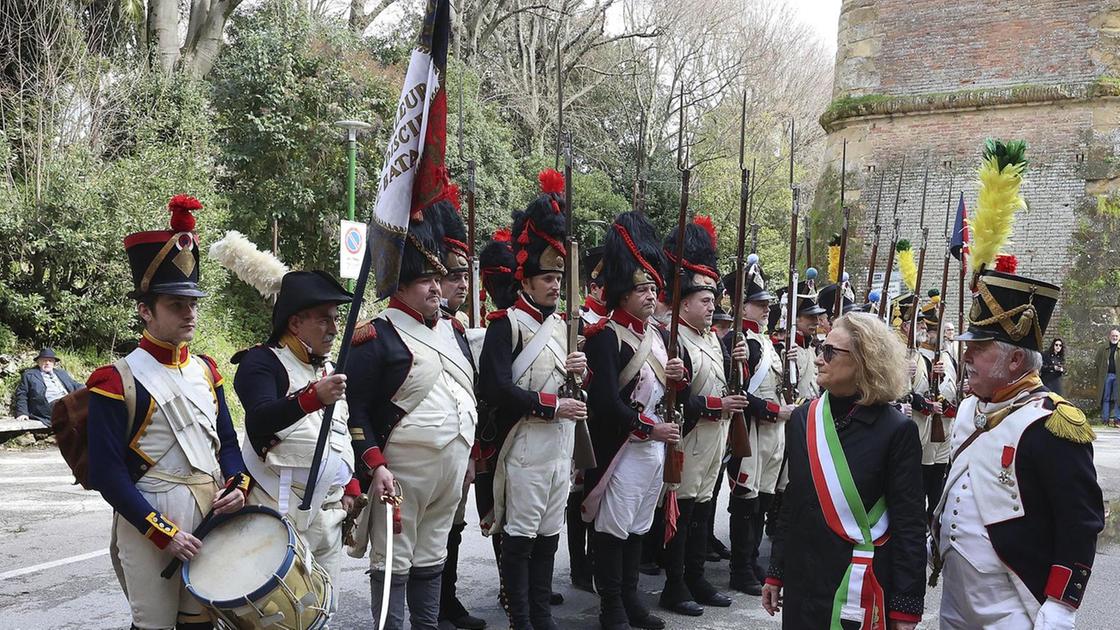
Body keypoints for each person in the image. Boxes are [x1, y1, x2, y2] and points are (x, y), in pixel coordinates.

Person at [933, 140, 1104, 629]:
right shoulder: (970, 408)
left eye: (978, 348)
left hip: (1017, 599)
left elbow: (1080, 520)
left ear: (1013, 361)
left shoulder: (1053, 423)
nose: (965, 355)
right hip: (956, 596)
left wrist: (1062, 603)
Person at [86, 195, 249, 630]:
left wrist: (238, 482)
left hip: (208, 512)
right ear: (145, 310)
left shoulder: (207, 370)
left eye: (193, 303)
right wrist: (162, 531)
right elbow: (107, 473)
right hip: (149, 521)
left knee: (202, 625)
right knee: (154, 624)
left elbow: (228, 445)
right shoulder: (113, 380)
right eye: (177, 305)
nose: (190, 313)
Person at [346, 201, 478, 630]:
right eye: (424, 281)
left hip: (451, 470)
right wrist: (374, 465)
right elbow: (355, 409)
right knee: (393, 566)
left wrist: (471, 457)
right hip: (399, 475)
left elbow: (466, 394)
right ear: (399, 286)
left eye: (437, 279)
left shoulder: (454, 332)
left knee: (433, 559)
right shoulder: (376, 335)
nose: (436, 289)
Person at [761, 311, 926, 629]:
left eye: (830, 351)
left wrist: (906, 606)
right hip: (803, 579)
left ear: (864, 359)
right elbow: (793, 501)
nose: (820, 359)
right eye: (821, 347)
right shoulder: (803, 419)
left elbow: (910, 523)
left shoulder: (896, 430)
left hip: (856, 581)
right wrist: (776, 571)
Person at [219, 246, 359, 598]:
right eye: (323, 318)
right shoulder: (260, 362)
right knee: (277, 615)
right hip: (278, 511)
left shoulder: (325, 368)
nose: (333, 328)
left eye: (335, 318)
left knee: (323, 613)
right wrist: (312, 398)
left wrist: (352, 481)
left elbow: (340, 432)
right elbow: (261, 419)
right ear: (295, 323)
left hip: (328, 511)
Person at [479, 169, 586, 630]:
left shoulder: (565, 326)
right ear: (526, 278)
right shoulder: (506, 324)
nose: (554, 284)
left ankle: (541, 618)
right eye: (547, 276)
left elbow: (569, 385)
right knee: (520, 540)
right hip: (523, 445)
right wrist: (550, 405)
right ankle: (521, 620)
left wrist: (582, 374)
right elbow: (497, 388)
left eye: (559, 276)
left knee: (548, 539)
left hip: (559, 446)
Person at [582, 211, 683, 630]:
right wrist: (647, 429)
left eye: (653, 288)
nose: (650, 295)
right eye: (642, 288)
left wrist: (681, 377)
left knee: (638, 527)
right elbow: (604, 403)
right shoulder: (606, 336)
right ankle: (611, 608)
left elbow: (667, 394)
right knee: (613, 530)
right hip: (622, 450)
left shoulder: (655, 336)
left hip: (652, 451)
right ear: (622, 292)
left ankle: (629, 597)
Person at [657, 218, 738, 617]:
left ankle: (695, 576)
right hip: (688, 437)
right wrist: (715, 408)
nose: (712, 308)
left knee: (702, 510)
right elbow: (677, 400)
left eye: (712, 301)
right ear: (684, 302)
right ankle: (675, 584)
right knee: (682, 513)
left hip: (713, 439)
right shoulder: (675, 338)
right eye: (704, 302)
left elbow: (722, 384)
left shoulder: (710, 339)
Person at [721, 259, 790, 597]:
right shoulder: (736, 340)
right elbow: (739, 392)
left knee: (762, 499)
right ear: (740, 305)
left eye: (766, 304)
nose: (765, 309)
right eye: (758, 303)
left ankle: (749, 561)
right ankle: (739, 569)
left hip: (773, 434)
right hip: (749, 430)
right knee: (745, 502)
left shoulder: (766, 342)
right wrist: (777, 410)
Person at [435, 201, 488, 630]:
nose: (459, 285)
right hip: (418, 456)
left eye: (462, 277)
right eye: (453, 277)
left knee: (452, 528)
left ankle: (446, 599)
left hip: (457, 450)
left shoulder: (455, 329)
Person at [14, 347, 81, 426]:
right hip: (49, 406)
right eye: (44, 360)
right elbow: (22, 393)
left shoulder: (62, 373)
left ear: (54, 363)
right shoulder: (29, 375)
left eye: (50, 360)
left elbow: (75, 384)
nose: (47, 363)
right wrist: (22, 412)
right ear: (38, 362)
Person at [1096, 329, 1120, 426]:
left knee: (1118, 398)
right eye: (1113, 336)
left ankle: (1117, 419)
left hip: (1118, 377)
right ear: (1109, 336)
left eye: (1116, 336)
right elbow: (1097, 360)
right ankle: (1105, 419)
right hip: (1107, 376)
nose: (1114, 338)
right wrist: (1102, 370)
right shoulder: (1103, 348)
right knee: (1105, 397)